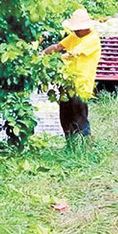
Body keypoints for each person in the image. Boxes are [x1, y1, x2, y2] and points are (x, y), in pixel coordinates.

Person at [42, 8, 102, 137]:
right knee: (65, 117)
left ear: (86, 27)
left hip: (81, 85)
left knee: (79, 118)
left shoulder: (92, 39)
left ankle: (84, 147)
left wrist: (51, 61)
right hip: (67, 83)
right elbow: (58, 47)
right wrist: (42, 54)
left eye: (78, 28)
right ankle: (70, 145)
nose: (75, 31)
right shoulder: (75, 36)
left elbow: (71, 54)